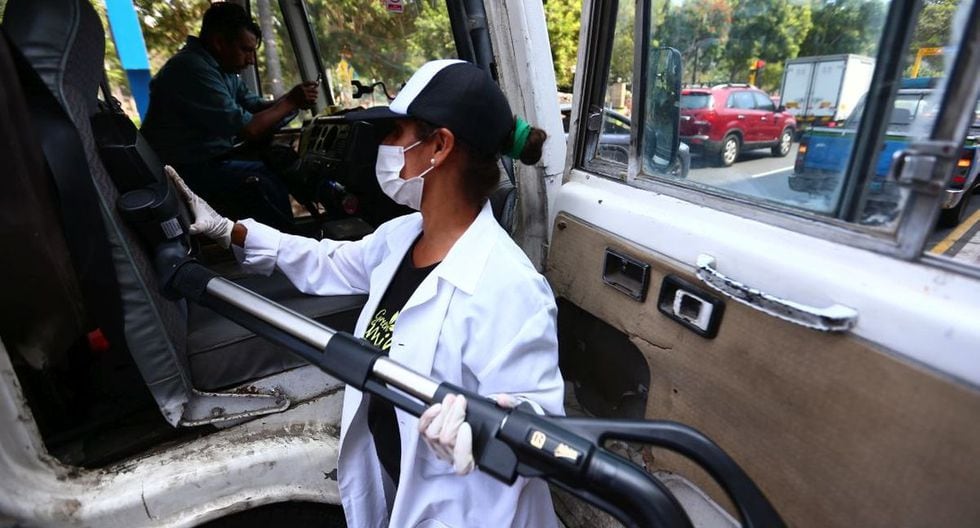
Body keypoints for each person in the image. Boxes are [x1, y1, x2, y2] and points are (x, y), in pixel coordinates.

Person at [168, 59, 564, 527]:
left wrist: (490, 424)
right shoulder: (401, 237)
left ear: (439, 146)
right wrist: (229, 231)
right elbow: (327, 261)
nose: (384, 145)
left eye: (395, 132)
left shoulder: (509, 285)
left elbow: (541, 425)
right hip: (401, 485)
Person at [141, 2, 318, 231]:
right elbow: (249, 128)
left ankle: (319, 229)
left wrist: (293, 98)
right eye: (246, 50)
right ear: (219, 43)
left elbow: (256, 107)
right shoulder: (192, 68)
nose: (251, 59)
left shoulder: (223, 70)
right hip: (182, 171)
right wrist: (292, 101)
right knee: (263, 180)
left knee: (282, 158)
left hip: (207, 160)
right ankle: (286, 251)